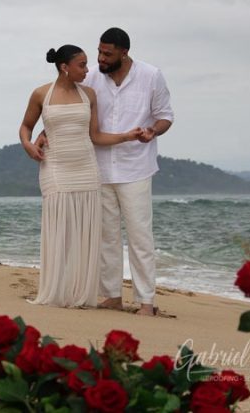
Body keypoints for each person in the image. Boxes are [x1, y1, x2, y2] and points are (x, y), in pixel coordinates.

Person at [19, 45, 142, 308]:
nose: (88, 70)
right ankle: (57, 290)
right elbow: (26, 126)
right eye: (82, 65)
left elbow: (95, 136)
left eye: (87, 64)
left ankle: (80, 292)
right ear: (65, 67)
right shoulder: (41, 94)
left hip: (86, 168)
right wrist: (28, 145)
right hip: (55, 167)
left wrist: (126, 136)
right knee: (60, 230)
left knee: (85, 233)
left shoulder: (89, 94)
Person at [68, 27, 174, 316]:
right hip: (99, 168)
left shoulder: (151, 75)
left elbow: (165, 116)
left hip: (136, 167)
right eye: (99, 51)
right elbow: (71, 109)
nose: (100, 58)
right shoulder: (91, 77)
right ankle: (112, 296)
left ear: (124, 53)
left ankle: (146, 301)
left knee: (140, 236)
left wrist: (153, 131)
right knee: (107, 237)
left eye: (107, 54)